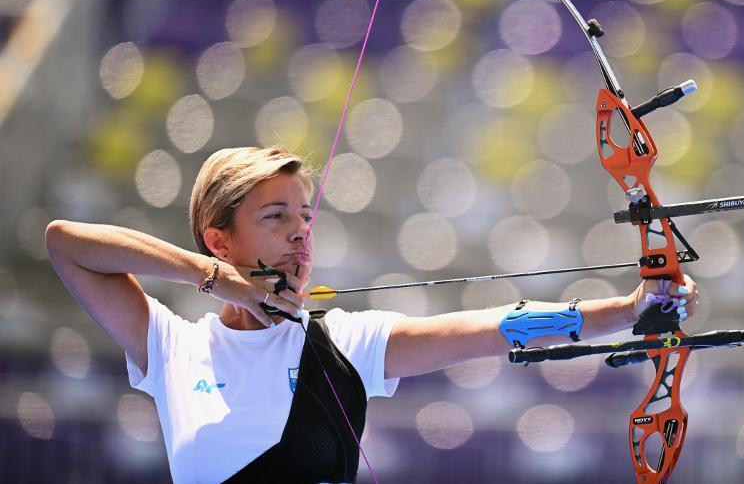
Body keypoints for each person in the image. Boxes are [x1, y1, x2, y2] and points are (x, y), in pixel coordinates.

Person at [46, 146, 699, 483]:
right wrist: (217, 281)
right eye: (276, 217)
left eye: (306, 218)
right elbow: (66, 244)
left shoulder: (344, 342)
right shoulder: (171, 345)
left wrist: (629, 307)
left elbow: (494, 326)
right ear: (219, 238)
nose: (302, 235)